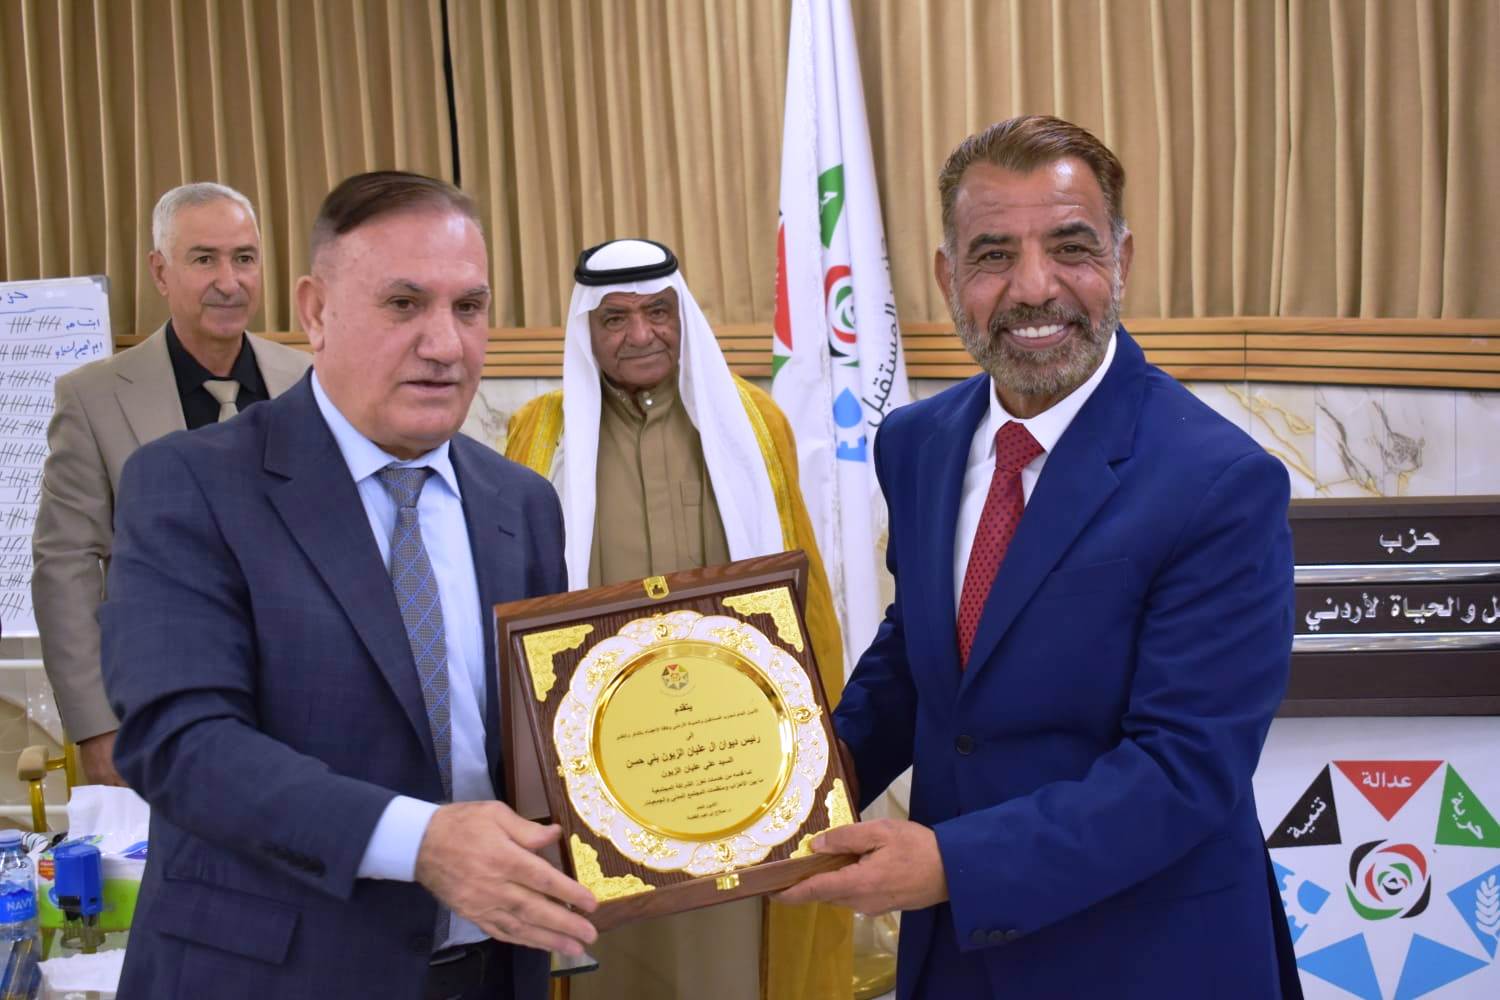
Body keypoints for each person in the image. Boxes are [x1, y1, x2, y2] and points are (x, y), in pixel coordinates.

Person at [781, 116, 1302, 999]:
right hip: (955, 961)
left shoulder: (1219, 481)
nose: (1034, 287)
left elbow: (1185, 768)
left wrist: (952, 864)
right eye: (993, 254)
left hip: (1146, 956)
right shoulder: (916, 442)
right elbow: (922, 656)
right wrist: (783, 794)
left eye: (1071, 247)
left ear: (1121, 261)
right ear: (947, 276)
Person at [100, 171, 598, 1000]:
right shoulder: (191, 484)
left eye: (469, 307)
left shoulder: (521, 503)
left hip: (491, 969)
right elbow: (181, 744)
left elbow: (542, 737)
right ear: (316, 310)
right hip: (276, 975)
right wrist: (420, 843)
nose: (446, 344)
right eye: (404, 304)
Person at [505, 238, 852, 1000]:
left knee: (733, 954)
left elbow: (805, 603)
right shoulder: (542, 431)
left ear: (683, 316)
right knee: (610, 951)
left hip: (735, 760)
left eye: (658, 312)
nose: (641, 335)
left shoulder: (753, 423)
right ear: (586, 329)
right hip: (599, 765)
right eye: (615, 319)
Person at [31, 182, 309, 786]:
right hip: (164, 717)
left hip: (309, 710)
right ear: (160, 271)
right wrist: (97, 728)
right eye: (204, 258)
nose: (229, 281)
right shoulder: (93, 398)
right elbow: (65, 566)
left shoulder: (310, 380)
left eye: (244, 258)